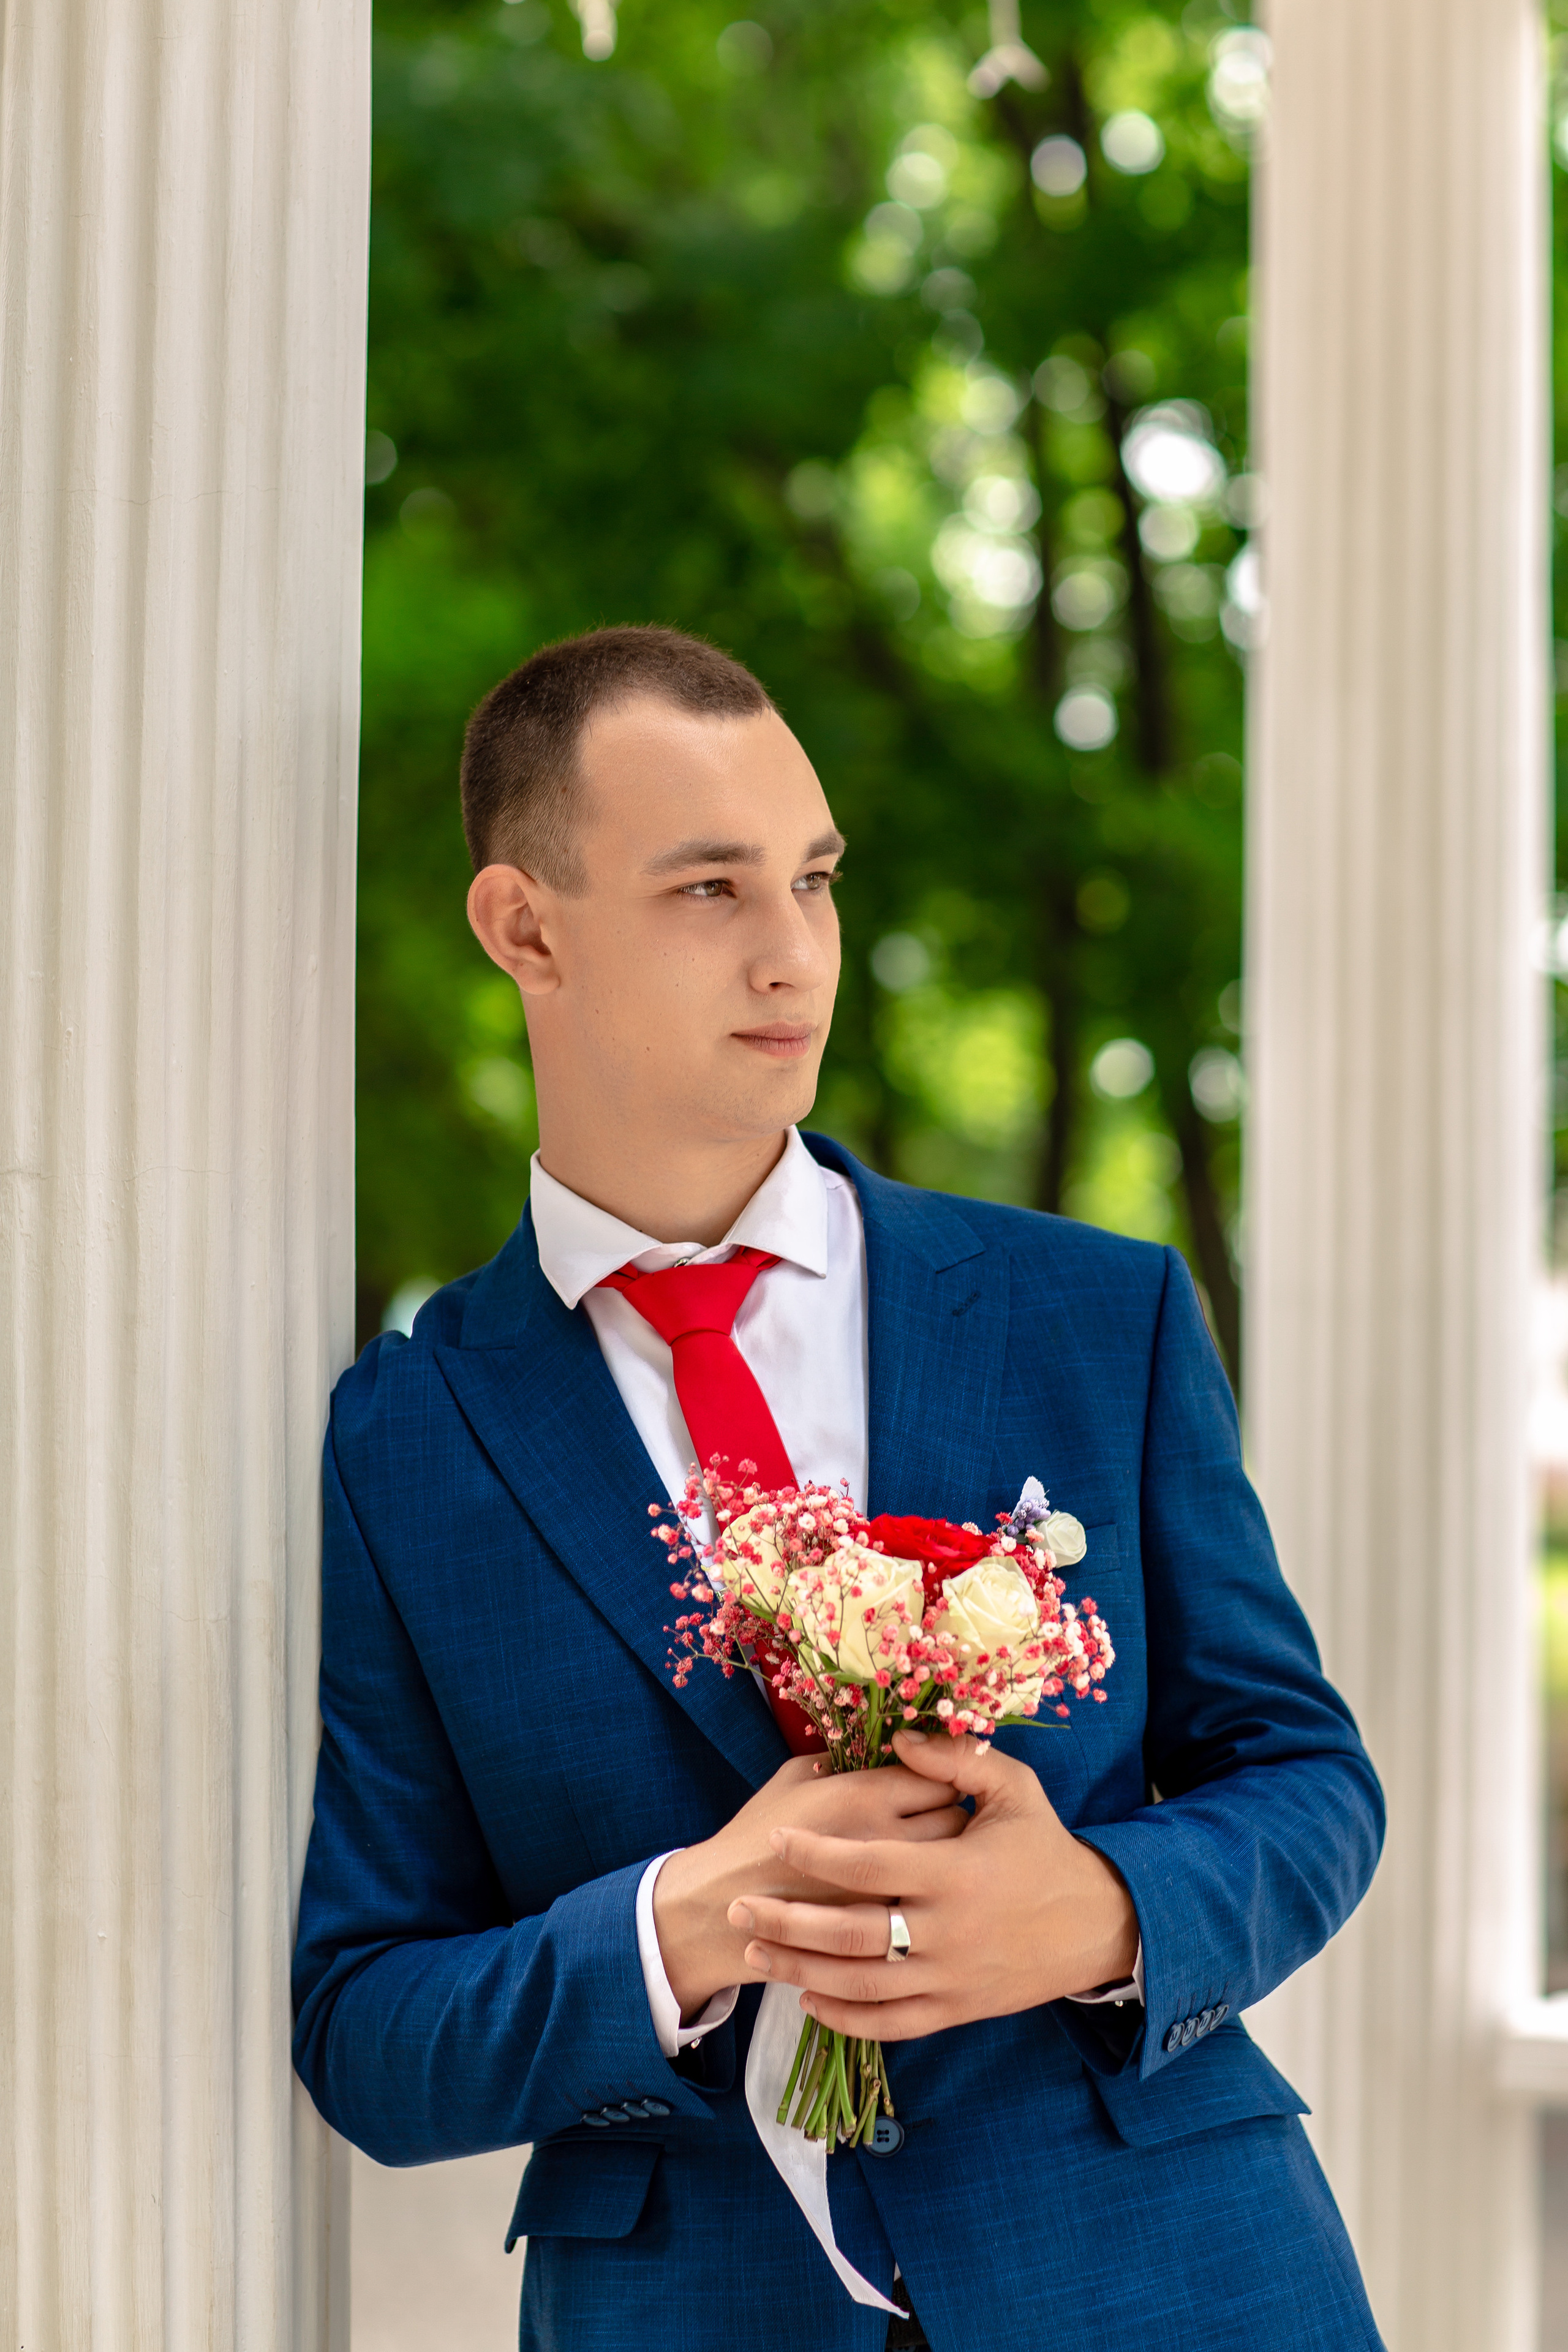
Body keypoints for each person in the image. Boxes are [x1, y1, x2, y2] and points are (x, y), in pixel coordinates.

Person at [292, 625, 1385, 2351]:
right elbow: (368, 2024)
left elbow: (1309, 1781)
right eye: (710, 891)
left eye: (814, 879)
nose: (794, 955)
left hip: (1173, 2279)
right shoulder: (403, 1446)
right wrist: (686, 1924)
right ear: (525, 929)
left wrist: (1097, 1914)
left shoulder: (1098, 1318)